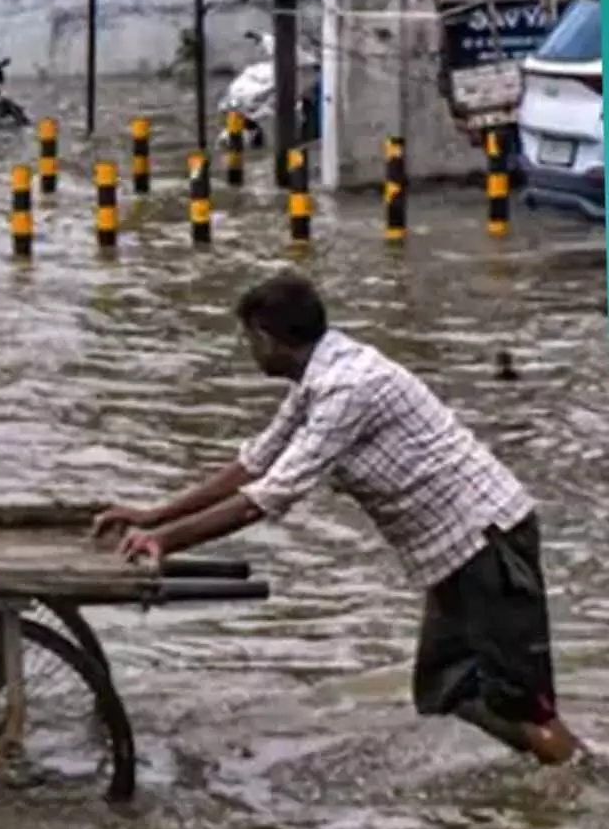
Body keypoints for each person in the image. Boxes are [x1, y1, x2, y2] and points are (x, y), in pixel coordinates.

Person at [91, 271, 581, 765]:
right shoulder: (318, 380)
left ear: (266, 337)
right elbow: (255, 463)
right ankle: (549, 791)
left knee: (525, 704)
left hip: (487, 540)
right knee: (442, 691)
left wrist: (166, 541)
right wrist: (154, 517)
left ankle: (581, 781)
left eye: (248, 340)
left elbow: (268, 495)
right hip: (452, 553)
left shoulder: (349, 388)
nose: (249, 351)